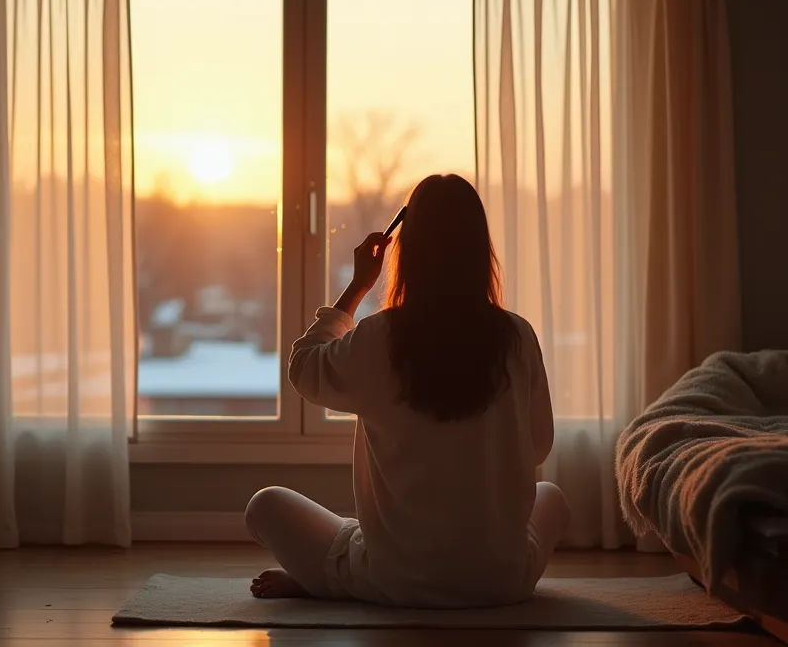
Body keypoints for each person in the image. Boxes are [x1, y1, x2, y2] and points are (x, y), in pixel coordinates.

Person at [244, 173, 570, 608]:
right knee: (553, 498)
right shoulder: (516, 336)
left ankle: (329, 579)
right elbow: (539, 446)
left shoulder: (380, 337)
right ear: (478, 249)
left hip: (398, 580)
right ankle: (338, 571)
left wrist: (359, 285)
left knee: (265, 506)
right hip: (503, 581)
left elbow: (304, 368)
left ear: (409, 249)